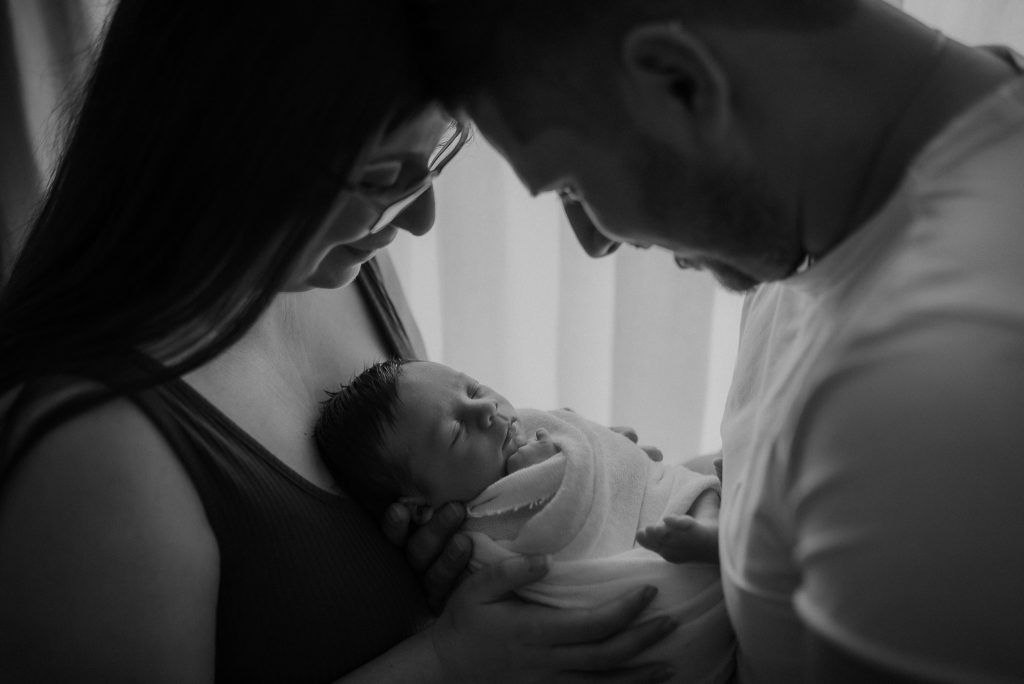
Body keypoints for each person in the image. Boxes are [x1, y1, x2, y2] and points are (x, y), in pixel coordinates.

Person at [0, 1, 683, 682]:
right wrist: (446, 661)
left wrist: (571, 506)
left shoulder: (337, 267)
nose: (419, 219)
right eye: (386, 178)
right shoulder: (93, 452)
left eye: (433, 162)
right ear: (227, 141)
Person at [409, 0, 1024, 681]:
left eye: (571, 185)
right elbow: (792, 488)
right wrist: (592, 515)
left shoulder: (931, 388)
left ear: (679, 81)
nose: (595, 241)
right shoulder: (822, 236)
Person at [315, 358, 735, 683]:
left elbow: (613, 470)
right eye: (457, 431)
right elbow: (550, 540)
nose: (487, 409)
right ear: (421, 506)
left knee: (685, 487)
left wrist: (596, 448)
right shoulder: (481, 518)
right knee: (695, 497)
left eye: (474, 388)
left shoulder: (513, 434)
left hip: (662, 525)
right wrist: (551, 468)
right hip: (647, 611)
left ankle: (713, 529)